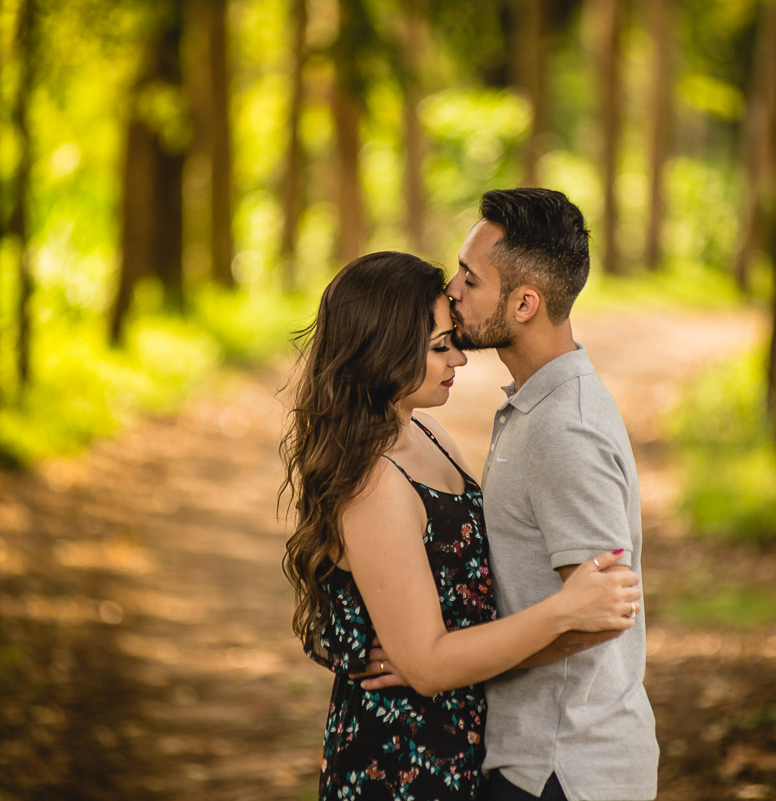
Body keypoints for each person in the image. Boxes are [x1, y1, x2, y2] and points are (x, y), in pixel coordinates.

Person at [280, 250, 643, 801]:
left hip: (462, 737)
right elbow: (425, 664)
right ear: (381, 352)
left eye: (451, 340)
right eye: (438, 347)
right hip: (405, 759)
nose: (460, 360)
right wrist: (562, 610)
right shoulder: (373, 484)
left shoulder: (427, 435)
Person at [441, 188, 659, 801]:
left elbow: (597, 618)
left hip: (563, 768)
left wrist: (448, 663)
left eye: (469, 278)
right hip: (538, 758)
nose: (451, 290)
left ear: (525, 303)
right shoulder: (537, 406)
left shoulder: (566, 429)